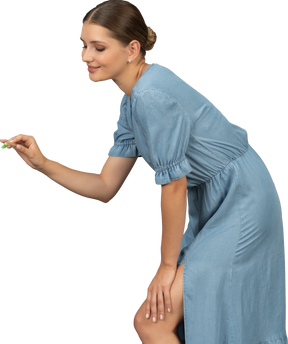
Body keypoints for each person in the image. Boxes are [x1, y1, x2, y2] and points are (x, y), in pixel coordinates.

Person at [0, 1, 287, 343]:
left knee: (151, 322)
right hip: (213, 200)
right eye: (81, 45)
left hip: (242, 201)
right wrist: (44, 162)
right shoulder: (131, 97)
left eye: (99, 47)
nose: (84, 57)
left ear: (132, 49)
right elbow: (106, 187)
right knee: (161, 319)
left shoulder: (150, 94)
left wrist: (165, 267)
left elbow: (174, 187)